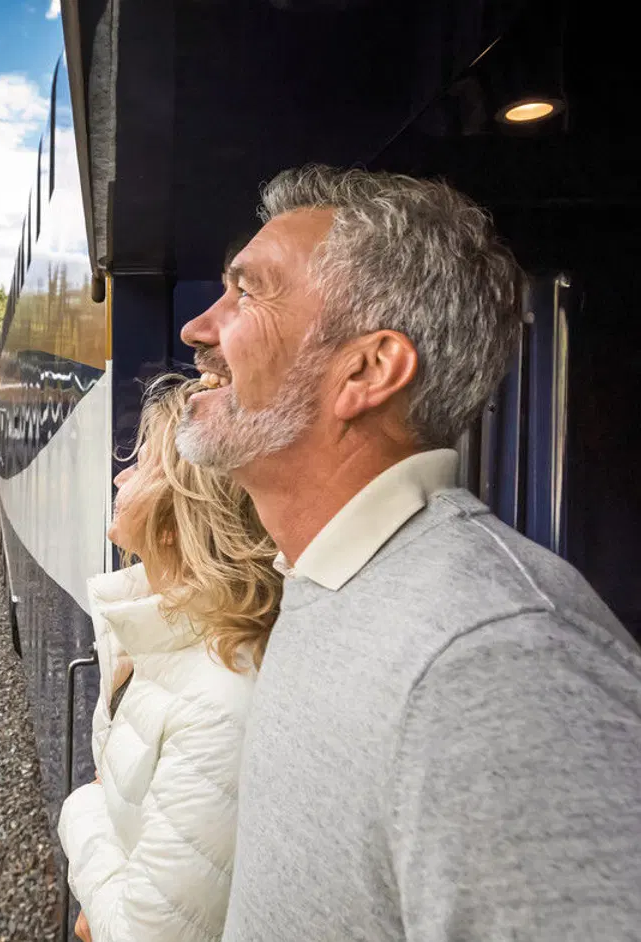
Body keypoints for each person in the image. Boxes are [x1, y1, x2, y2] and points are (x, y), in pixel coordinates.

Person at [175, 164, 641, 940]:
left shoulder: (495, 662)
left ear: (366, 370)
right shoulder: (332, 583)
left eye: (248, 293)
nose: (198, 329)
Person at [57, 378, 282, 942]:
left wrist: (80, 809)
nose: (120, 477)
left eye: (141, 466)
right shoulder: (157, 639)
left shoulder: (220, 699)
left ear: (174, 518)